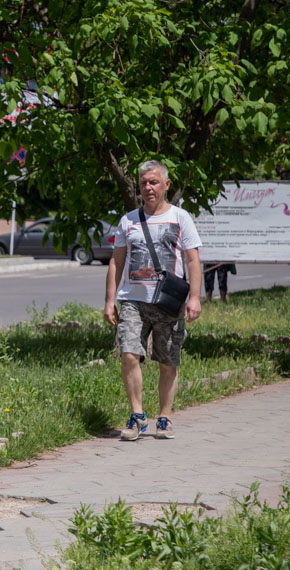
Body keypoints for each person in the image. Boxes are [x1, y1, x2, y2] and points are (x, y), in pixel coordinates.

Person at [103, 159, 203, 442]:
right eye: (144, 183)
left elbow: (192, 260)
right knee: (128, 354)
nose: (148, 187)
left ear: (166, 185)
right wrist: (110, 300)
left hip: (168, 302)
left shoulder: (180, 218)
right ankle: (137, 416)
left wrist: (195, 297)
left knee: (168, 361)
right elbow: (116, 261)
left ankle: (165, 417)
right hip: (133, 301)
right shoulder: (128, 220)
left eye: (154, 182)